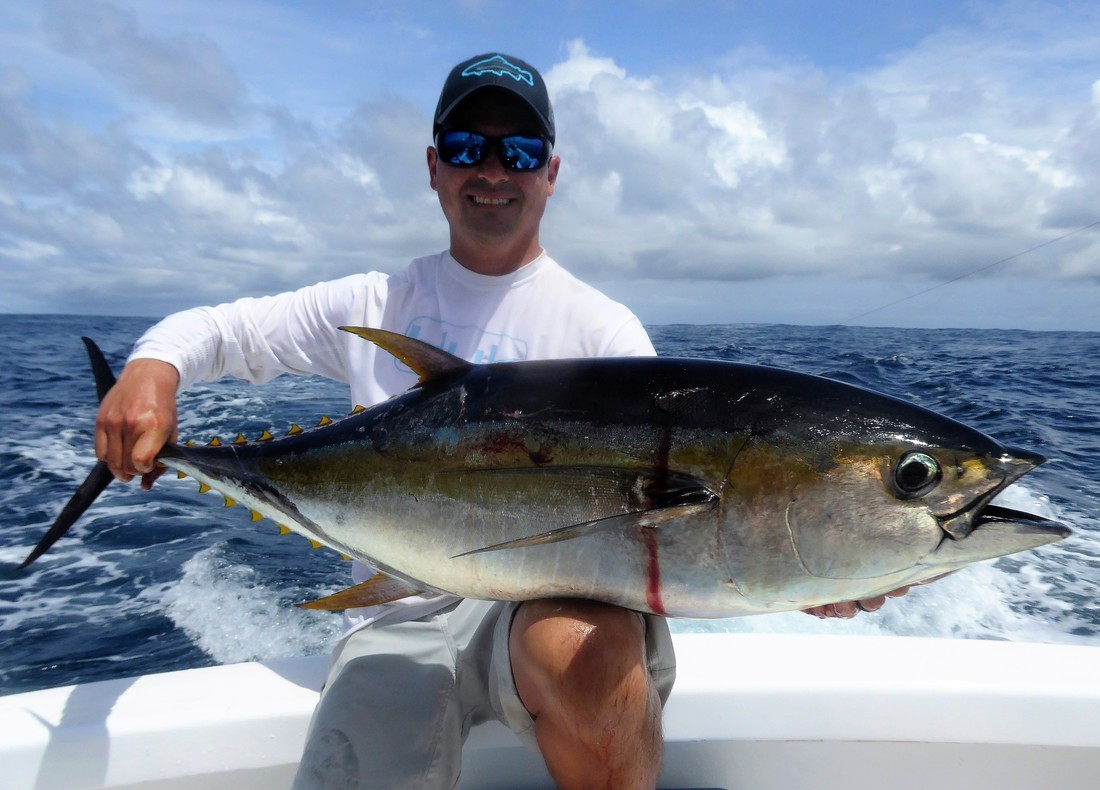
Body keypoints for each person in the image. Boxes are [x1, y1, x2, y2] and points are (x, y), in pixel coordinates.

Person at [95, 52, 902, 789]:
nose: (491, 170)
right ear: (433, 166)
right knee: (358, 753)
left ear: (550, 172)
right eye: (466, 147)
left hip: (556, 604)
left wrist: (810, 566)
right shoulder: (375, 301)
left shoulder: (606, 332)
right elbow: (217, 330)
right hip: (400, 614)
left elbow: (686, 532)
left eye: (517, 151)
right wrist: (149, 373)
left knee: (587, 660)